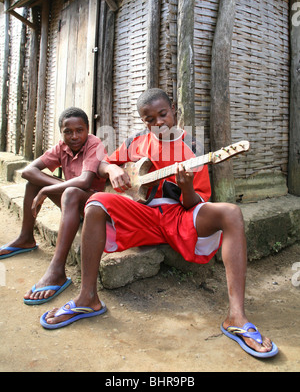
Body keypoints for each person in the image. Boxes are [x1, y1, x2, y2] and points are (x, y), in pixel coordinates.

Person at [40, 89, 278, 358]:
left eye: (163, 114)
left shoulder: (194, 148)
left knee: (231, 212)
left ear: (173, 109)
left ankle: (236, 316)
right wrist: (113, 169)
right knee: (95, 203)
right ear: (143, 121)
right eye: (150, 119)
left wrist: (185, 186)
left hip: (179, 216)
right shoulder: (136, 141)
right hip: (142, 213)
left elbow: (193, 204)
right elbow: (103, 163)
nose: (158, 123)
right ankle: (87, 298)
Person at [0, 107, 106, 305]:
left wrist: (48, 190)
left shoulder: (95, 144)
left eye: (79, 130)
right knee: (35, 183)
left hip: (92, 206)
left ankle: (57, 270)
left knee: (71, 191)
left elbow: (84, 182)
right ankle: (26, 238)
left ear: (88, 129)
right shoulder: (61, 147)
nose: (74, 136)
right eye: (68, 131)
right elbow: (28, 171)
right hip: (70, 200)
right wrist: (51, 188)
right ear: (61, 132)